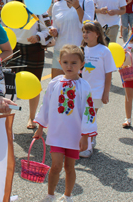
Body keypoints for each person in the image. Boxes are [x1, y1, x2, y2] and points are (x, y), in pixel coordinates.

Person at [34, 44, 97, 202]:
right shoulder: (54, 83)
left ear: (82, 64)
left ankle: (67, 195)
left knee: (70, 167)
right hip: (57, 132)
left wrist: (85, 136)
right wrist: (41, 127)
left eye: (74, 63)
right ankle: (50, 194)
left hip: (74, 134)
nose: (69, 66)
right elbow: (46, 106)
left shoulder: (84, 86)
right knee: (55, 165)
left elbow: (88, 111)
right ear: (60, 62)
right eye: (66, 62)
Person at [8, 0, 52, 129]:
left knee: (34, 84)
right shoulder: (13, 8)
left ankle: (32, 118)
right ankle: (9, 116)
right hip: (15, 50)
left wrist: (39, 36)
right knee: (11, 87)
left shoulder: (40, 11)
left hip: (34, 50)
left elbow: (48, 31)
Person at [80, 21, 116, 157]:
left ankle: (88, 146)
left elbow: (108, 73)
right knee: (82, 117)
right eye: (84, 31)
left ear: (97, 34)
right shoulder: (82, 49)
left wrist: (106, 92)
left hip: (96, 91)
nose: (85, 34)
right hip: (81, 90)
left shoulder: (104, 51)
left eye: (88, 32)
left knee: (89, 117)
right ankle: (85, 140)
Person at [50, 0, 94, 78]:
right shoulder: (57, 5)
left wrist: (77, 7)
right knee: (58, 86)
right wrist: (53, 31)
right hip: (60, 51)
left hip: (79, 51)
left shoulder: (87, 1)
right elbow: (55, 25)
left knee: (77, 89)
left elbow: (89, 25)